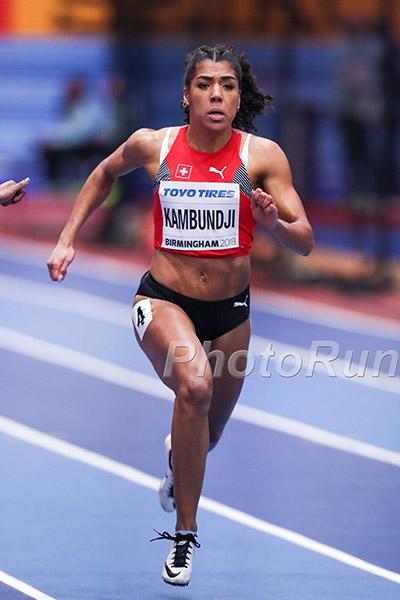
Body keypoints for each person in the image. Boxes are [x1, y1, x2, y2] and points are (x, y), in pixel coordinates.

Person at [47, 45, 314, 587]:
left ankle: (178, 463)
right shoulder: (156, 145)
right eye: (205, 84)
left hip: (231, 312)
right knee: (194, 385)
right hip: (163, 300)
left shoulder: (262, 157)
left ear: (238, 98)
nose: (217, 94)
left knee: (206, 437)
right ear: (186, 95)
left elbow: (304, 240)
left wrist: (275, 223)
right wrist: (66, 238)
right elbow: (104, 172)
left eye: (228, 86)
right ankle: (185, 535)